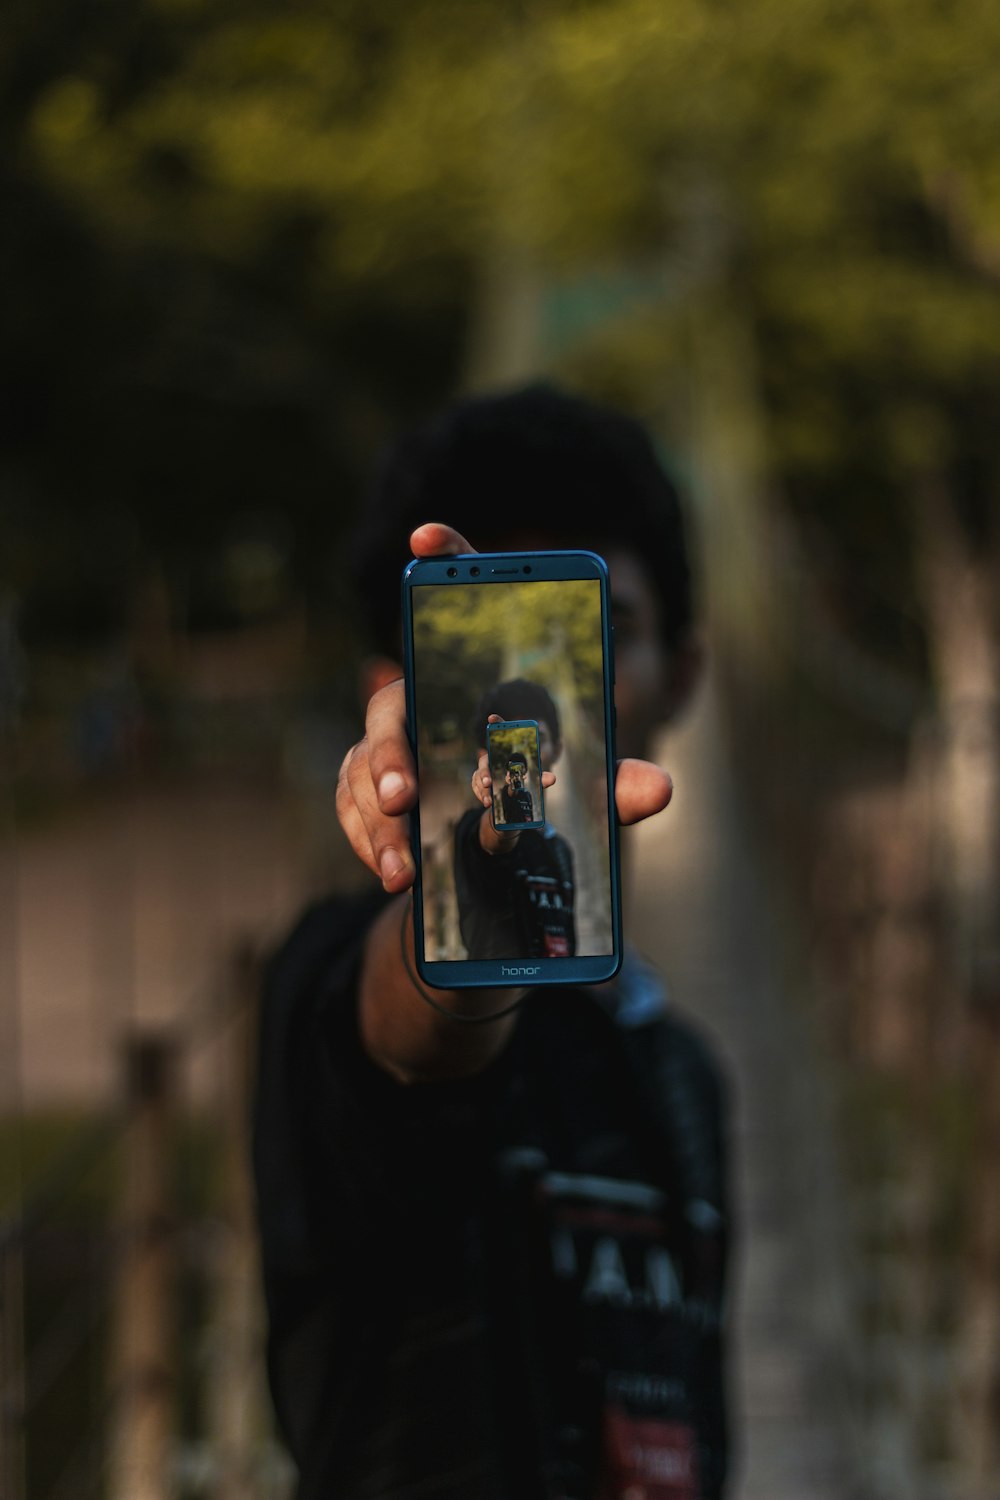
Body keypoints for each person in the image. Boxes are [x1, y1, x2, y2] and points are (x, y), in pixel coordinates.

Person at [254, 385, 731, 1500]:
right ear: (393, 694)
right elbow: (419, 1034)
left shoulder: (688, 1077)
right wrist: (467, 922)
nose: (560, 691)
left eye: (595, 630)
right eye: (485, 644)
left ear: (685, 675)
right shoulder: (326, 980)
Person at [456, 681, 575, 961]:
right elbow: (495, 839)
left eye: (537, 738)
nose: (528, 753)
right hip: (497, 1000)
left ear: (558, 749)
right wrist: (503, 803)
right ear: (484, 758)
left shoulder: (561, 850)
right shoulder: (471, 829)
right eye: (509, 743)